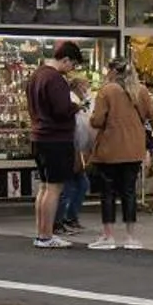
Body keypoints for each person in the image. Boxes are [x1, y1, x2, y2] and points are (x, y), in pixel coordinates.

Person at [88, 55, 153, 251]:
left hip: (109, 150)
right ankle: (131, 237)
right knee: (129, 192)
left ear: (113, 71)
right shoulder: (141, 91)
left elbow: (97, 121)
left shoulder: (107, 91)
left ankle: (108, 235)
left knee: (108, 193)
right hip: (133, 150)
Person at [26, 41, 81, 250]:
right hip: (55, 139)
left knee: (44, 187)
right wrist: (76, 107)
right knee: (54, 188)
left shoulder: (36, 75)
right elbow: (61, 110)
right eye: (73, 64)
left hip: (38, 136)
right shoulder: (55, 79)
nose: (72, 69)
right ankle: (47, 235)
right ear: (65, 59)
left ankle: (41, 232)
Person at [50, 63, 95, 242]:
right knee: (68, 187)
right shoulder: (71, 100)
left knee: (81, 184)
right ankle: (59, 221)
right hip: (70, 147)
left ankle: (69, 217)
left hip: (78, 148)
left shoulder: (81, 102)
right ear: (77, 85)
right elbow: (77, 124)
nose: (87, 88)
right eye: (85, 85)